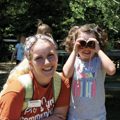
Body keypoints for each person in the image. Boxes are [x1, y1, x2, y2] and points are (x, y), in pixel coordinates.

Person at [0, 34, 70, 119]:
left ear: (57, 56)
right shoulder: (16, 91)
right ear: (30, 63)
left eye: (50, 55)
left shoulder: (62, 82)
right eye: (39, 58)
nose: (47, 62)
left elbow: (60, 115)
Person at [63, 23, 116, 120]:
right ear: (74, 43)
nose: (86, 47)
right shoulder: (74, 61)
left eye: (91, 44)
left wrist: (98, 50)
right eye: (82, 43)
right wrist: (74, 51)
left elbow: (112, 70)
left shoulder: (99, 62)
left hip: (97, 116)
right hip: (75, 116)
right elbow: (66, 73)